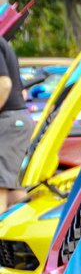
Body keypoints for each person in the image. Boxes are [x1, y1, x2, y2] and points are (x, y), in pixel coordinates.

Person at [0, 31, 29, 211]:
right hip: (17, 121)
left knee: (1, 184)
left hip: (9, 120)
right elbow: (23, 92)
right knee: (13, 189)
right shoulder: (4, 44)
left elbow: (4, 84)